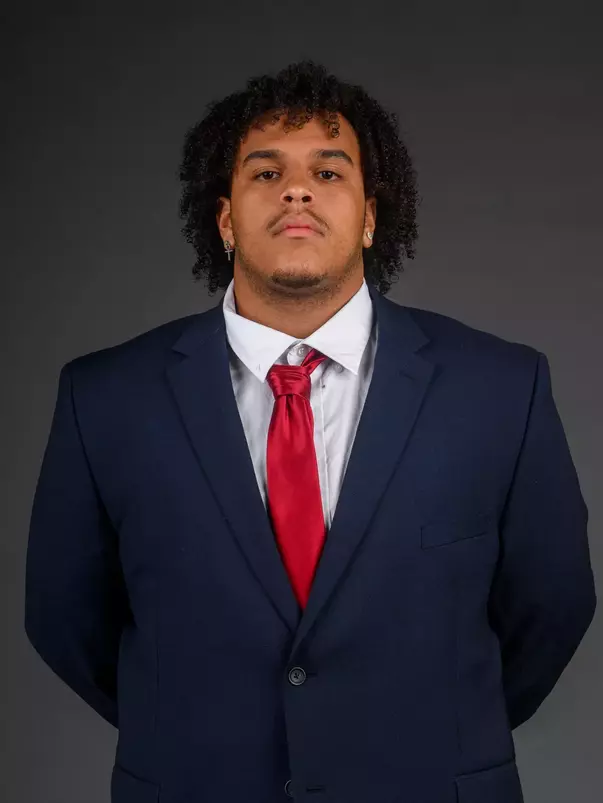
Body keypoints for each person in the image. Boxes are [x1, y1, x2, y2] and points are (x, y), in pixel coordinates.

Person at [25, 59, 596, 803]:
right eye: (265, 173)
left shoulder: (500, 387)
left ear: (368, 217)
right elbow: (65, 617)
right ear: (225, 218)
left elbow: (550, 606)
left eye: (329, 172)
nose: (296, 188)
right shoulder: (103, 397)